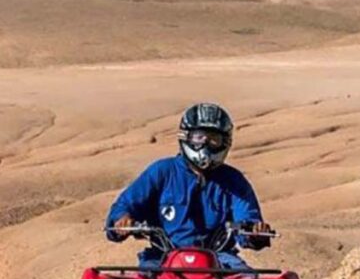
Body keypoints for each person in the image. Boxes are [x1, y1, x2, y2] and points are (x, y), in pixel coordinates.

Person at [105, 102, 272, 270]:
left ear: (225, 142)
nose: (206, 145)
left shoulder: (233, 181)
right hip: (162, 257)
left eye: (214, 140)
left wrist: (255, 232)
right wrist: (122, 221)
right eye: (199, 137)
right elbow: (126, 205)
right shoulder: (162, 171)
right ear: (186, 136)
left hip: (220, 260)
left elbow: (247, 218)